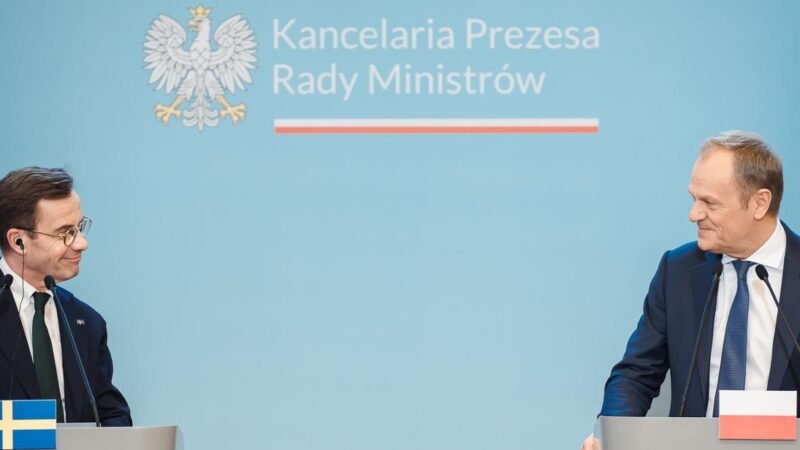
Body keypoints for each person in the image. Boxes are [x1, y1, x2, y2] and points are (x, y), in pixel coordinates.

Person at [582, 130, 798, 449]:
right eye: (693, 198)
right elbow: (637, 373)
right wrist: (611, 433)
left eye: (710, 203)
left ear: (759, 203)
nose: (694, 214)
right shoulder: (678, 271)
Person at [0, 167, 131, 426]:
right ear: (18, 241)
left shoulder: (87, 322)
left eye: (79, 228)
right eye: (65, 233)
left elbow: (112, 415)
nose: (81, 243)